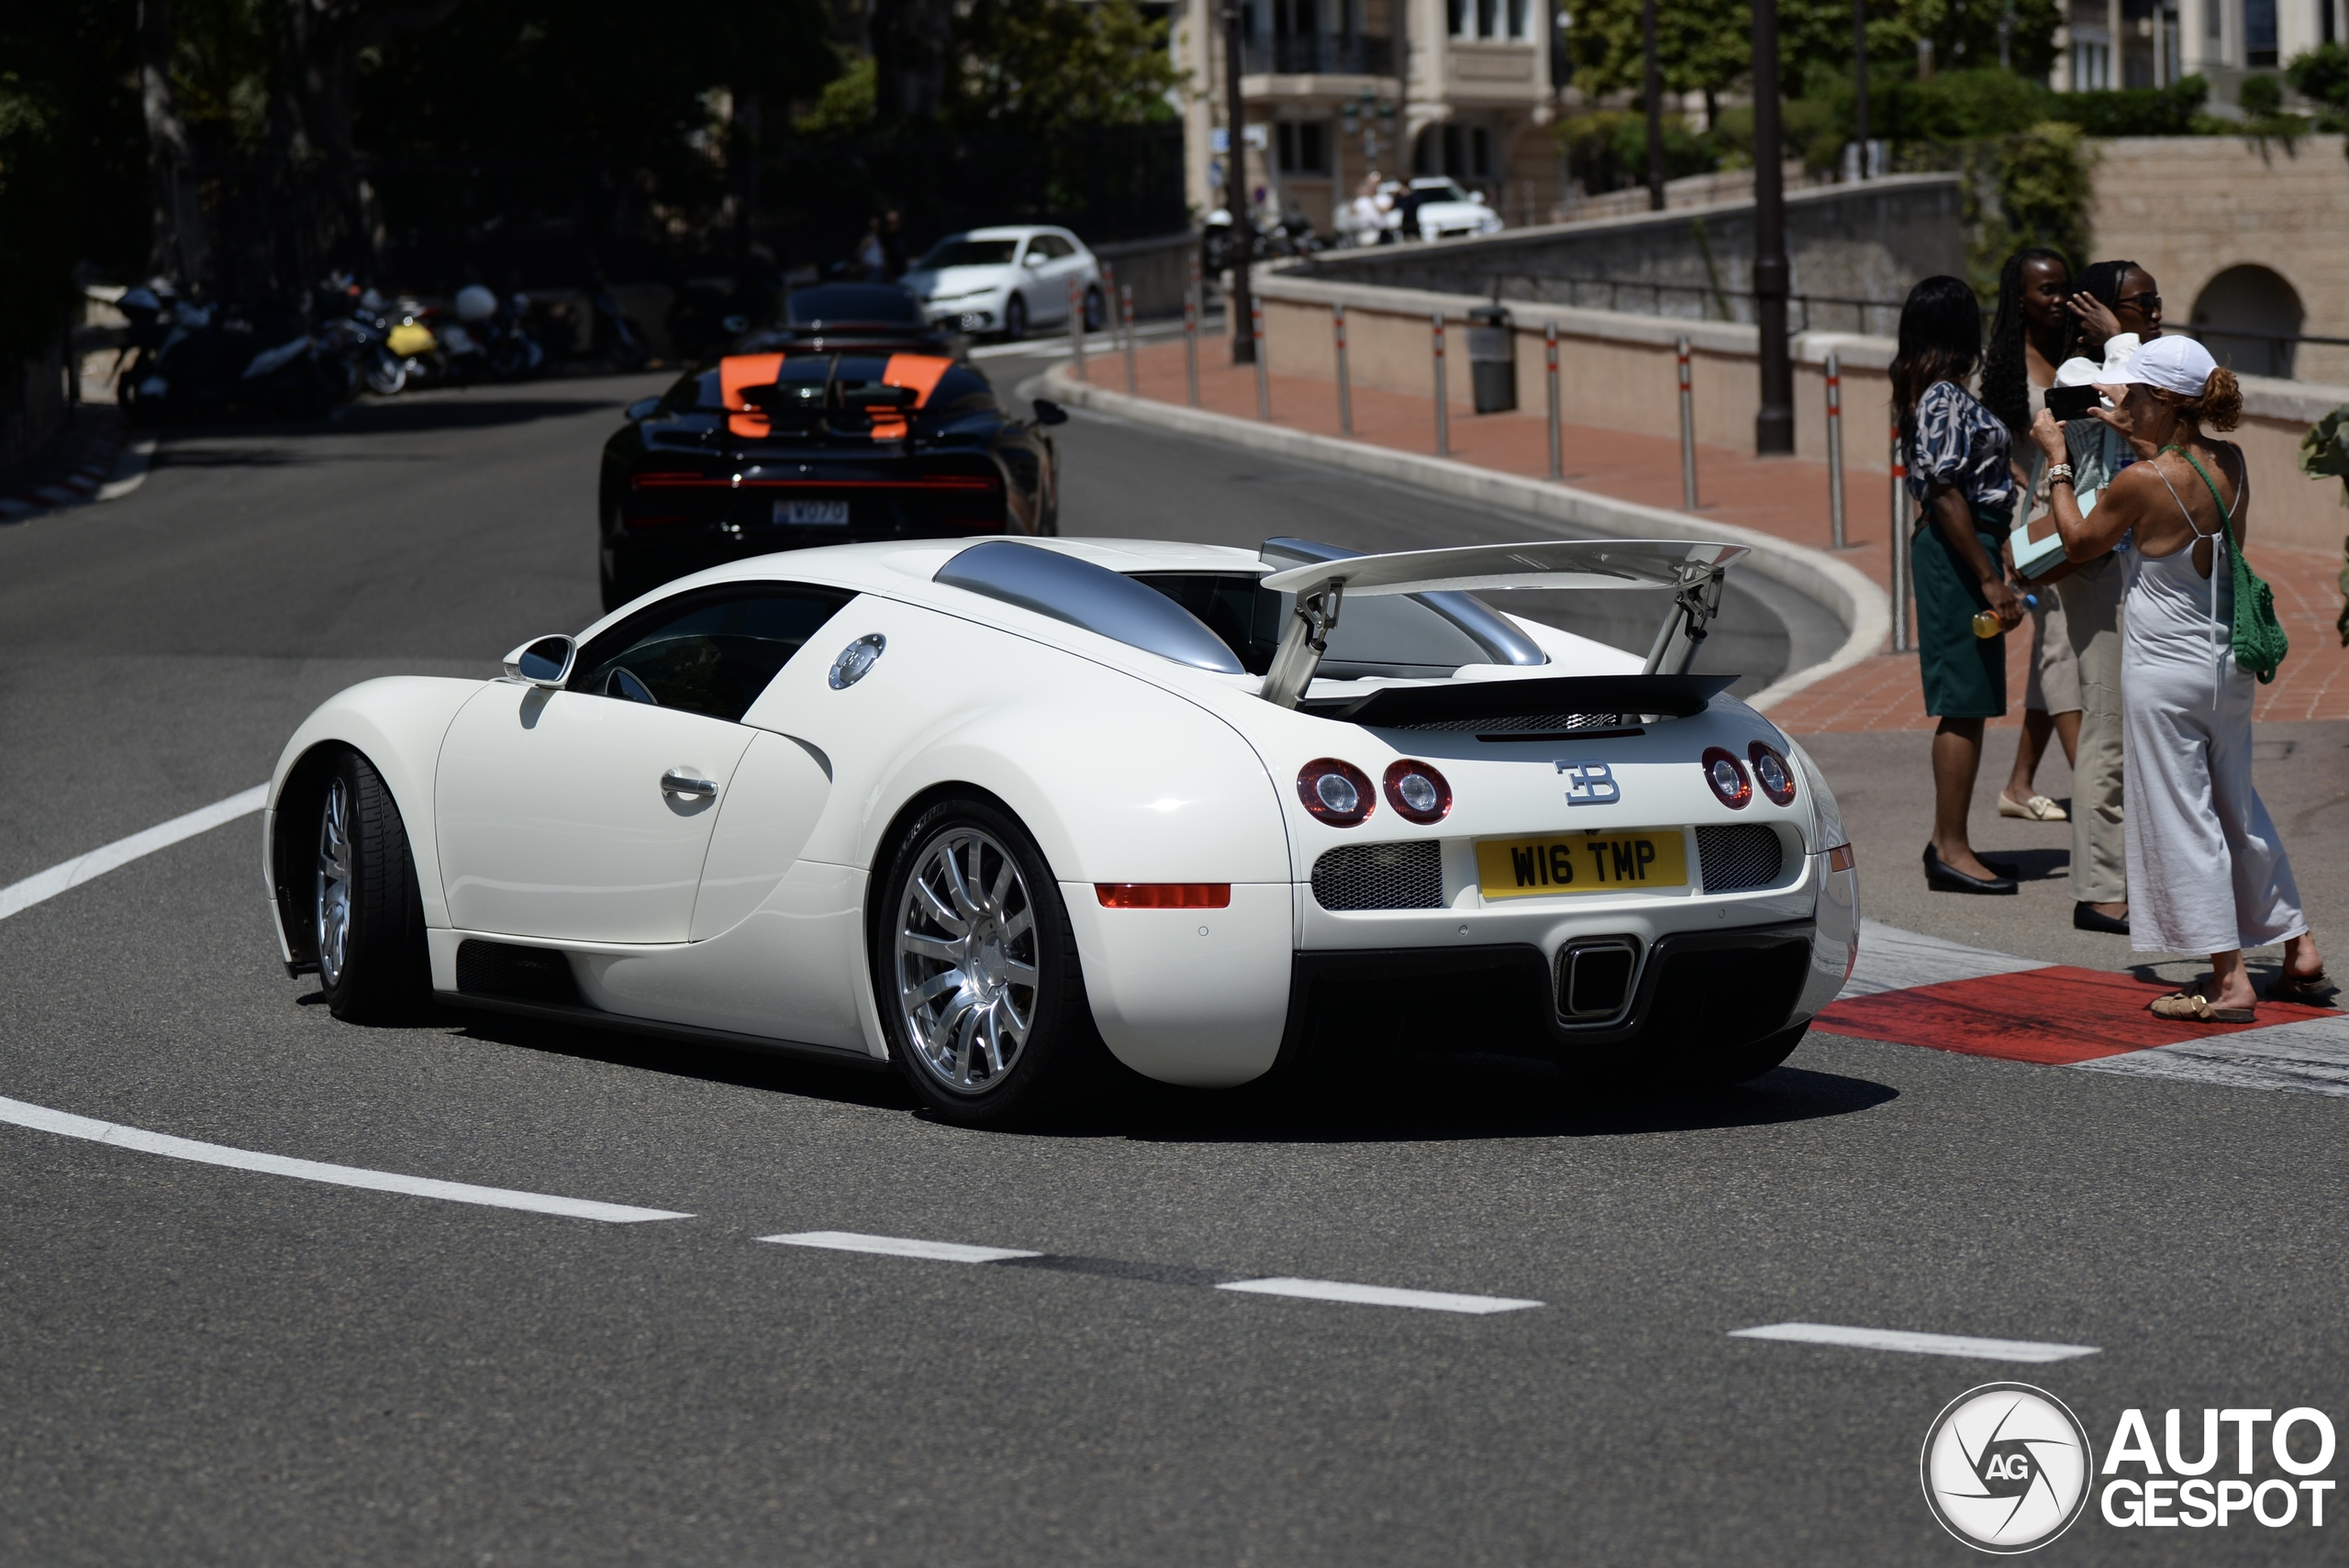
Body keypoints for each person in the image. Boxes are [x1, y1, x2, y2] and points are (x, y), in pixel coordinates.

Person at [2029, 334, 2331, 1019]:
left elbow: (2077, 543)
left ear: (2165, 400)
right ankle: (2299, 949)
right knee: (2237, 810)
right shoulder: (2231, 461)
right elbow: (2182, 479)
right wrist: (2136, 433)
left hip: (2164, 672)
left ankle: (2228, 982)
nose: (2123, 401)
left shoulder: (2140, 482)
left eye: (2133, 394)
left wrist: (2058, 463)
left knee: (2182, 821)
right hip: (2226, 667)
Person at [1893, 275, 2028, 894]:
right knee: (1963, 701)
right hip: (1955, 556)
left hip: (1966, 548)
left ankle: (1952, 842)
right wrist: (1988, 576)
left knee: (1971, 701)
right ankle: (1950, 848)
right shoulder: (1944, 397)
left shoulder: (1934, 394)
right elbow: (1947, 494)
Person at [2046, 259, 2165, 934]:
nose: (2153, 310)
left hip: (2133, 567)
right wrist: (2119, 338)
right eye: (2138, 302)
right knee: (2107, 722)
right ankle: (2098, 890)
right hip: (2096, 567)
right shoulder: (2077, 377)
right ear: (2100, 311)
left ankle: (2125, 875)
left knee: (2133, 724)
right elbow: (2128, 409)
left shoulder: (2148, 362)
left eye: (2155, 299)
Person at [1980, 247, 2082, 823]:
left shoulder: (2075, 355)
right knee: (2059, 642)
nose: (2058, 299)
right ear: (2019, 297)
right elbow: (1985, 456)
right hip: (2029, 526)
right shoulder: (1999, 365)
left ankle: (2020, 784)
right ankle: (2091, 788)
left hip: (2074, 514)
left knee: (2058, 646)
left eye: (2064, 287)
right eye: (2046, 290)